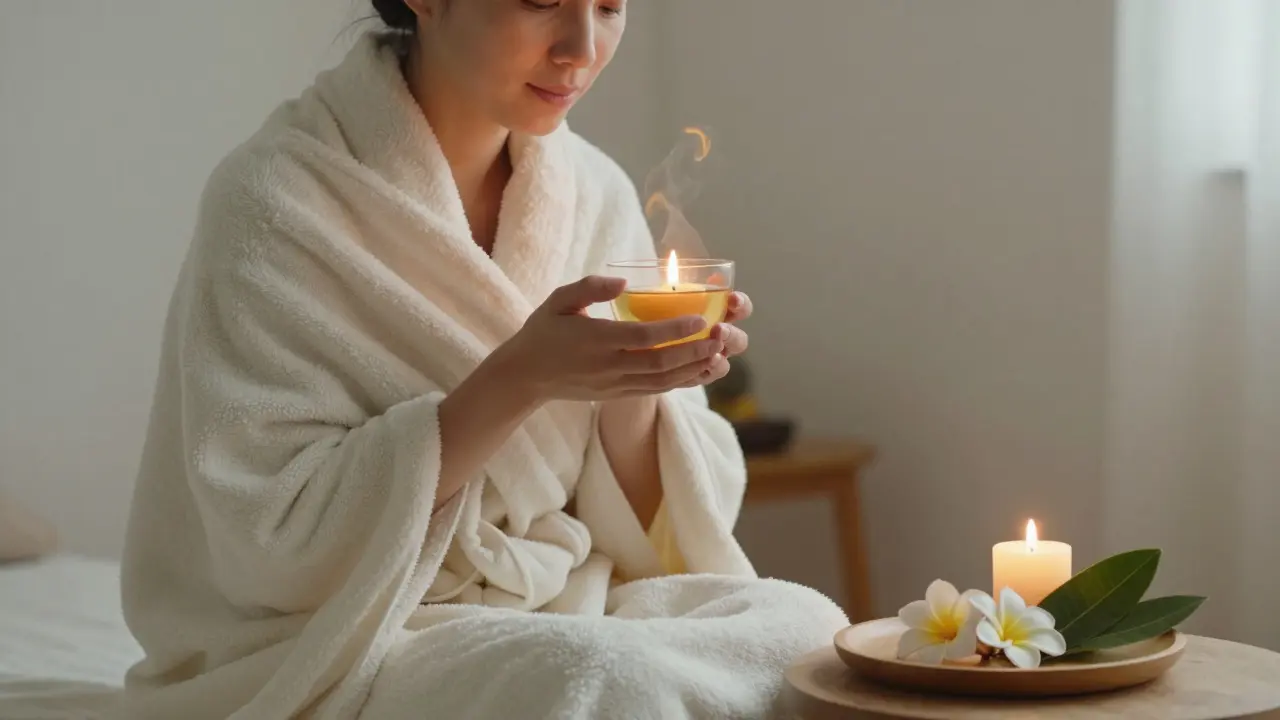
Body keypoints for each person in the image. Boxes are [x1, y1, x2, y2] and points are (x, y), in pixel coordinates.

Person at [109, 1, 848, 718]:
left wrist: (638, 381)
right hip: (353, 634)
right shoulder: (275, 199)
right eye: (541, 1)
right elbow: (274, 543)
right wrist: (522, 375)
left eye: (611, 7)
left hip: (564, 598)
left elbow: (657, 539)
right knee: (604, 677)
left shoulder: (593, 190)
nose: (582, 47)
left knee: (806, 632)